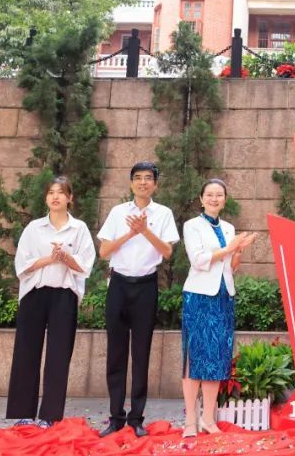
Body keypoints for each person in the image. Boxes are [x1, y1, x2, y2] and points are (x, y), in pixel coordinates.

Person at [97, 162, 179, 438]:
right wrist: (131, 233)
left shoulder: (163, 213)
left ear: (155, 184)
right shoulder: (118, 212)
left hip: (146, 286)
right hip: (119, 285)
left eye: (148, 178)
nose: (143, 182)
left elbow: (167, 252)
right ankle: (115, 417)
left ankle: (136, 419)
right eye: (138, 178)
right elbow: (104, 251)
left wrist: (145, 231)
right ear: (131, 183)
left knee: (141, 353)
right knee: (116, 353)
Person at [5, 177, 96, 428]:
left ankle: (49, 415)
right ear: (46, 197)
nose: (55, 197)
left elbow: (85, 266)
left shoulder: (79, 229)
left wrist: (65, 257)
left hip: (64, 295)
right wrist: (50, 259)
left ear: (70, 198)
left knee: (58, 355)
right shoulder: (34, 228)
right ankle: (23, 413)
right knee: (26, 352)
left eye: (61, 192)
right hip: (34, 293)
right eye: (51, 193)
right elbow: (22, 264)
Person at [180, 179, 257, 438]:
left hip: (224, 296)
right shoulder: (192, 225)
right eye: (210, 195)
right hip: (199, 296)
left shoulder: (228, 227)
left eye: (219, 195)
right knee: (194, 358)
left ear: (225, 200)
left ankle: (208, 419)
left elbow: (230, 267)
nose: (214, 199)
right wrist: (229, 248)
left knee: (216, 357)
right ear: (201, 199)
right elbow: (199, 260)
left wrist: (238, 251)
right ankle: (190, 421)